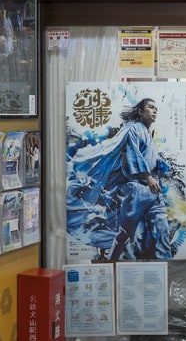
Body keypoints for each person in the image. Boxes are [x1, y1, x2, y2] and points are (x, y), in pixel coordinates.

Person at [66, 97, 172, 260]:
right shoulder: (134, 129)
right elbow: (133, 154)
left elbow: (149, 158)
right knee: (125, 234)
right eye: (151, 107)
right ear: (141, 111)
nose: (154, 111)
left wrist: (160, 170)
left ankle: (165, 262)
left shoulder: (147, 132)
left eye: (156, 108)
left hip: (153, 190)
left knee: (162, 227)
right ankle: (111, 259)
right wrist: (148, 176)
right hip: (137, 188)